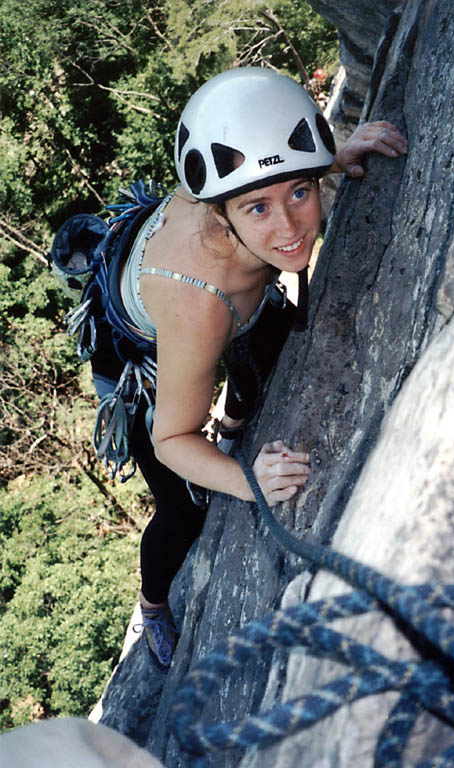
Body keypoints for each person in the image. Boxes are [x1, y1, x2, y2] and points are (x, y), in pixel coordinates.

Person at [91, 67, 407, 667]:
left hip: (235, 299)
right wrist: (248, 481)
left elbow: (268, 176)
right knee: (184, 508)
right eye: (258, 208)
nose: (290, 229)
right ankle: (153, 604)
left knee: (268, 344)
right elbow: (172, 439)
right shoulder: (197, 304)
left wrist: (333, 156)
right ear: (224, 214)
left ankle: (234, 425)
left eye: (301, 192)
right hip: (140, 356)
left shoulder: (246, 201)